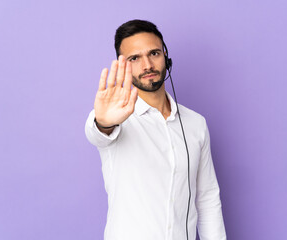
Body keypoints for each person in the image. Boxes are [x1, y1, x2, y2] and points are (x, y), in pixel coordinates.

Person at [85, 19, 226, 240]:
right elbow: (98, 132)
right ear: (123, 65)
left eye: (154, 54)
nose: (147, 65)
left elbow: (207, 198)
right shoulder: (116, 119)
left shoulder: (196, 124)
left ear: (166, 57)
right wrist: (104, 122)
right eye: (134, 58)